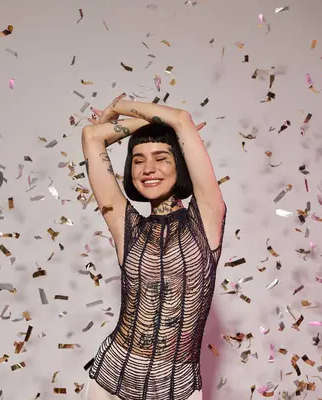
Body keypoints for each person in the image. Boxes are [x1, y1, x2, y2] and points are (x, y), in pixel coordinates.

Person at [80, 94, 227, 400]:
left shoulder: (206, 219)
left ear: (180, 165)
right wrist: (150, 125)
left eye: (161, 158)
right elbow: (92, 136)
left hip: (177, 386)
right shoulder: (127, 228)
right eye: (138, 160)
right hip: (111, 379)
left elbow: (182, 119)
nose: (148, 168)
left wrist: (118, 107)